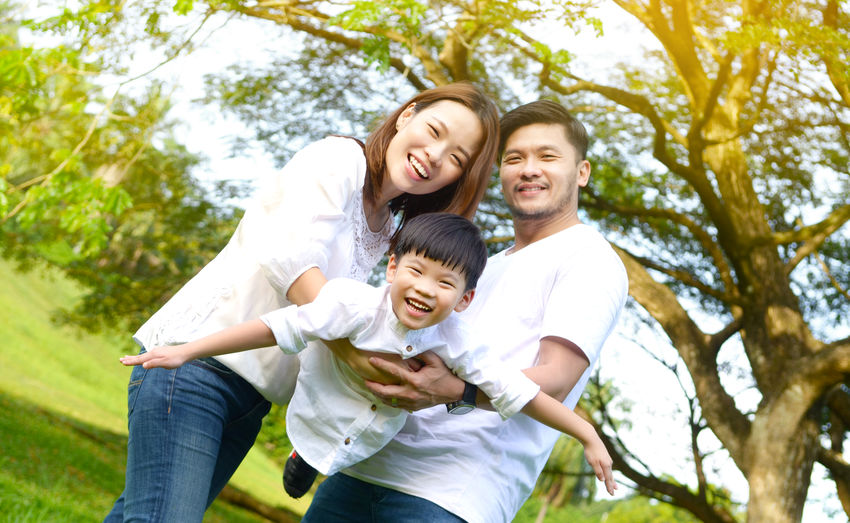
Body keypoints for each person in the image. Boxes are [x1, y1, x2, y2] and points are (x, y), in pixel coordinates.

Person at [104, 83, 501, 523]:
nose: (435, 154)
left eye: (456, 158)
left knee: (140, 514)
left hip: (252, 395)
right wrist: (356, 355)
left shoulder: (386, 227)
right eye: (434, 131)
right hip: (197, 367)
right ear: (406, 116)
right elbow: (290, 261)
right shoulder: (339, 160)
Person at [119, 213, 617, 501]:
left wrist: (585, 431)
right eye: (417, 272)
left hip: (374, 432)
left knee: (356, 443)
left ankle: (321, 460)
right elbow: (275, 327)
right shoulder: (351, 302)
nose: (425, 291)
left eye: (446, 284)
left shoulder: (461, 341)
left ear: (465, 300)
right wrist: (186, 349)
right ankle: (305, 452)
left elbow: (520, 392)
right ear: (393, 266)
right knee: (324, 423)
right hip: (327, 396)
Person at [300, 99, 630, 523]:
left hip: (452, 495)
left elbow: (556, 382)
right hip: (368, 468)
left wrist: (455, 391)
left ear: (581, 173)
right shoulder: (482, 265)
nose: (529, 169)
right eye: (515, 158)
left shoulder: (589, 258)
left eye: (548, 156)